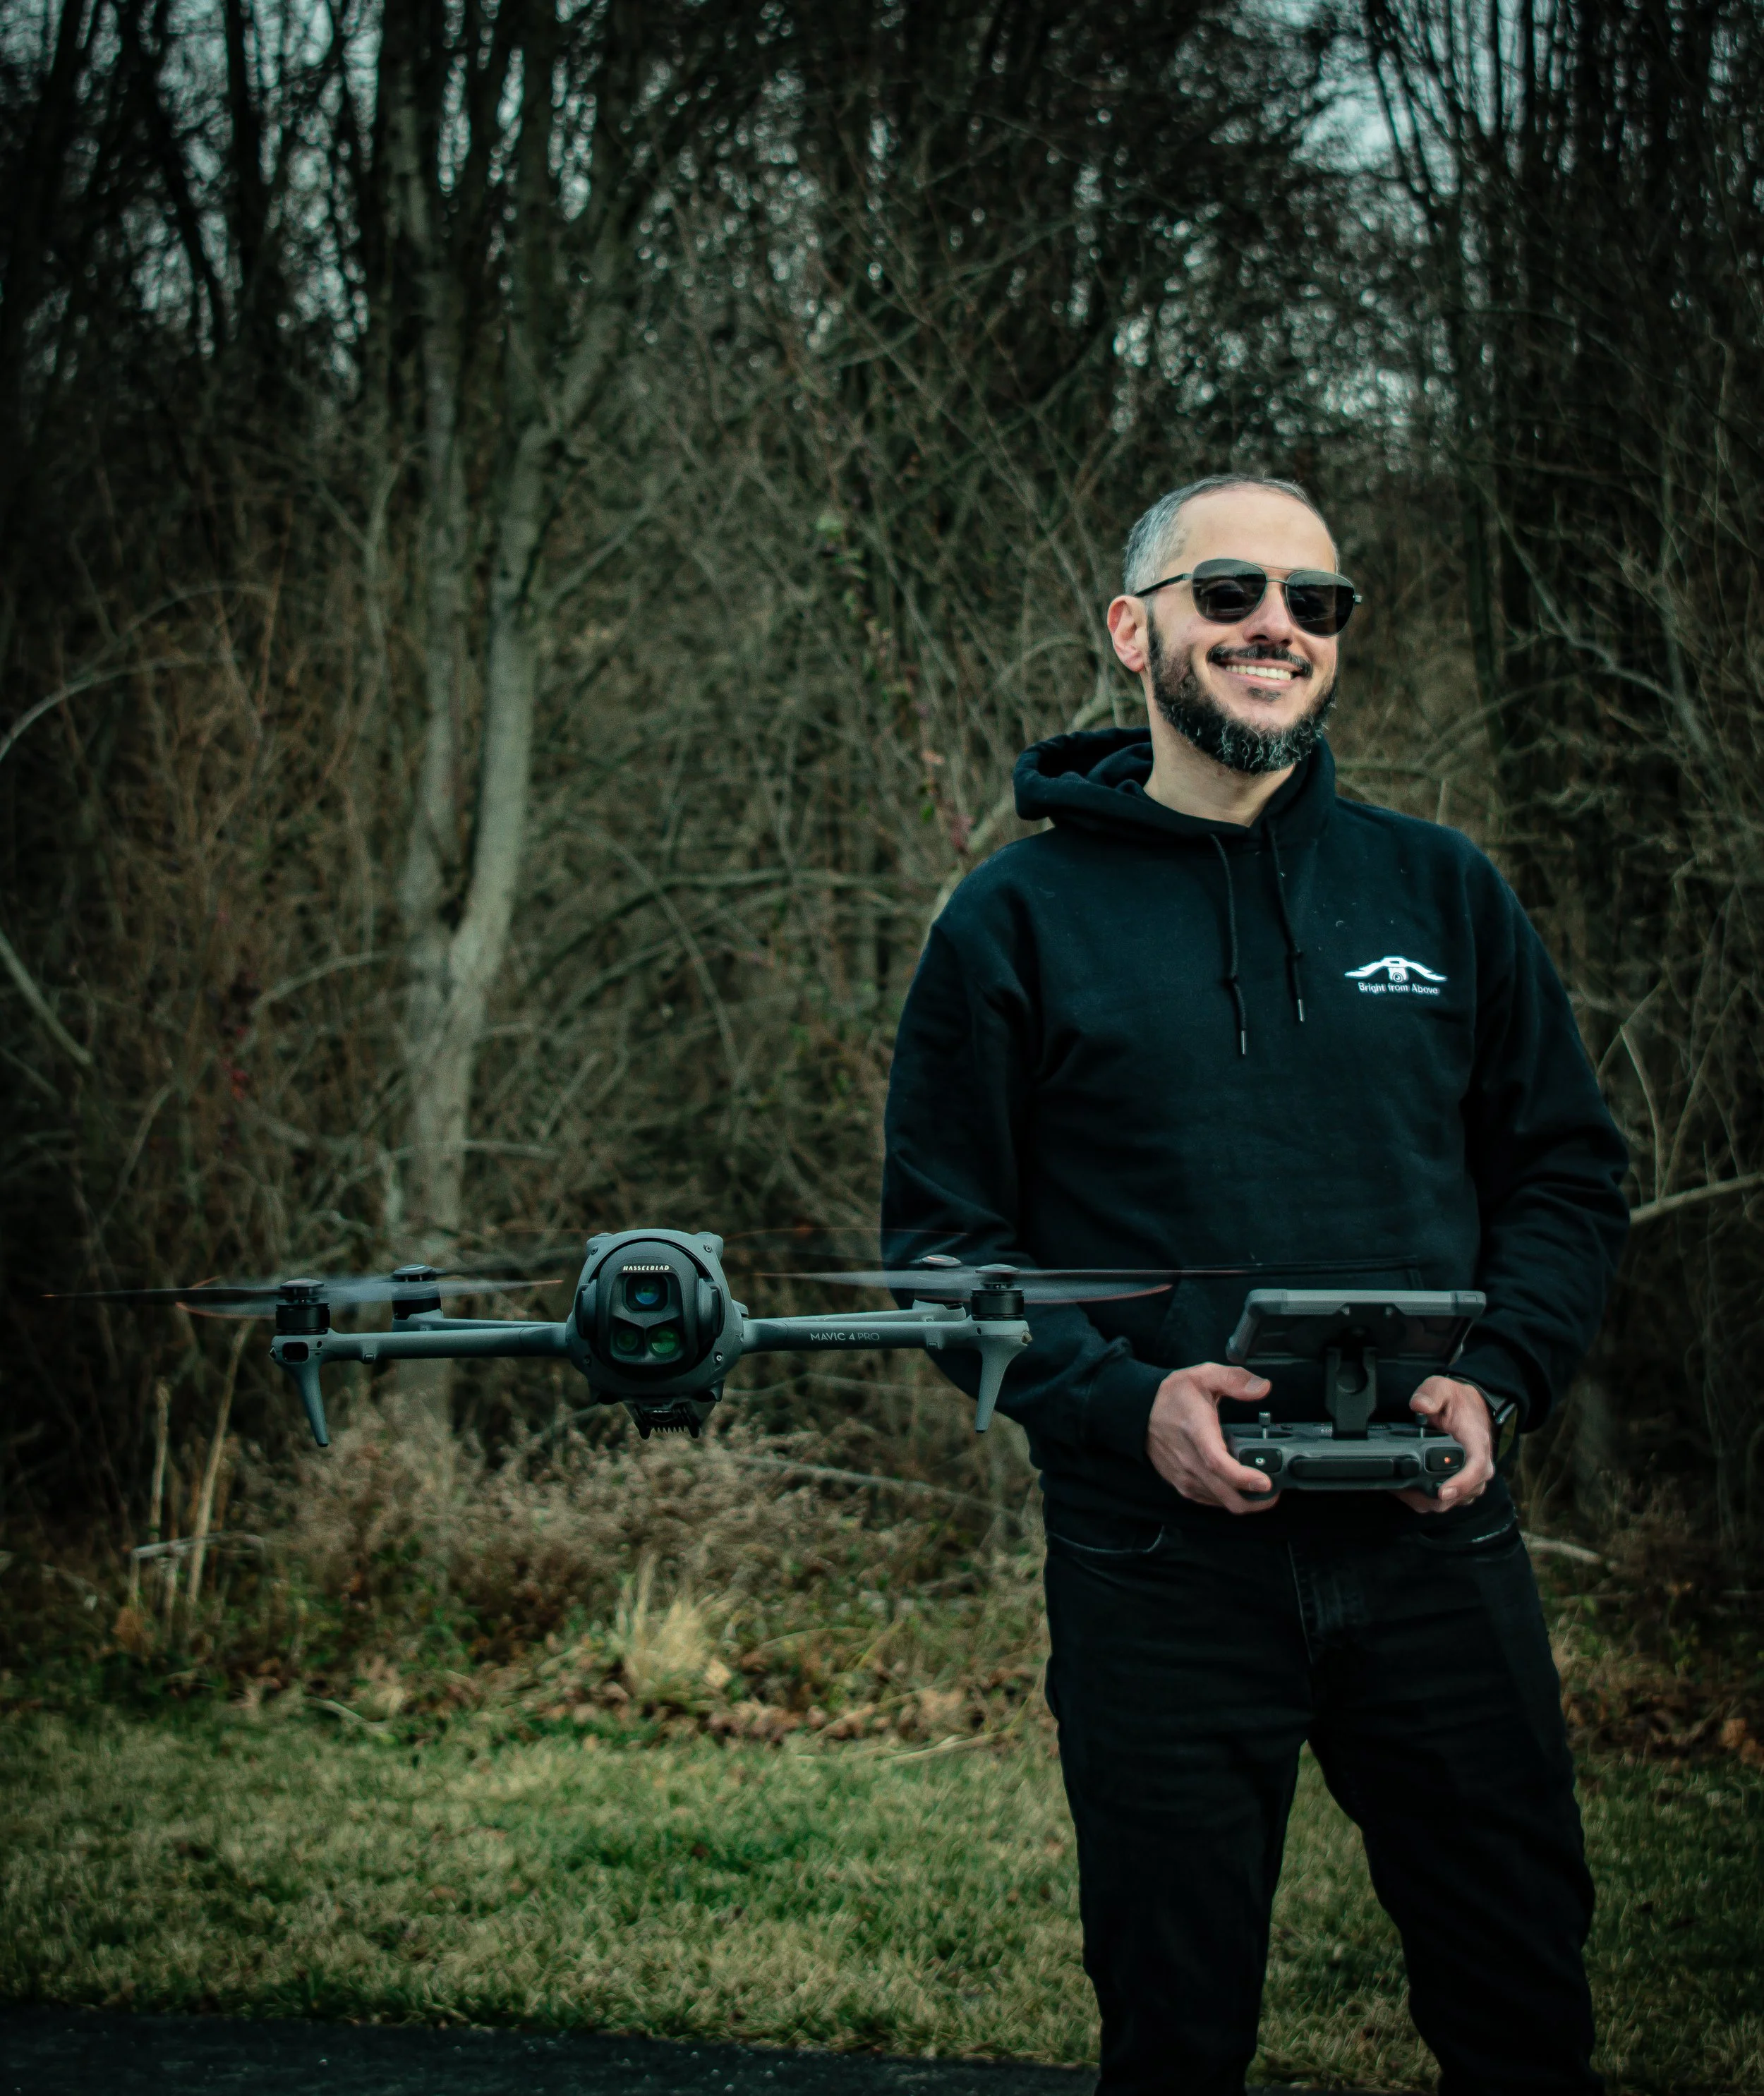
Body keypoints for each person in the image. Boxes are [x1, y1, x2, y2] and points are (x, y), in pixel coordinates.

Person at [881, 475, 1630, 2095]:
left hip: (1435, 1540)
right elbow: (940, 1257)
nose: (1273, 627)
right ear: (1132, 628)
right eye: (1227, 594)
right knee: (1174, 2024)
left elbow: (1565, 1178)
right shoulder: (1011, 922)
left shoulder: (1442, 896)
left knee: (1521, 2004)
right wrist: (1119, 1401)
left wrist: (1495, 1382)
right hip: (1158, 1561)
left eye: (1313, 602)